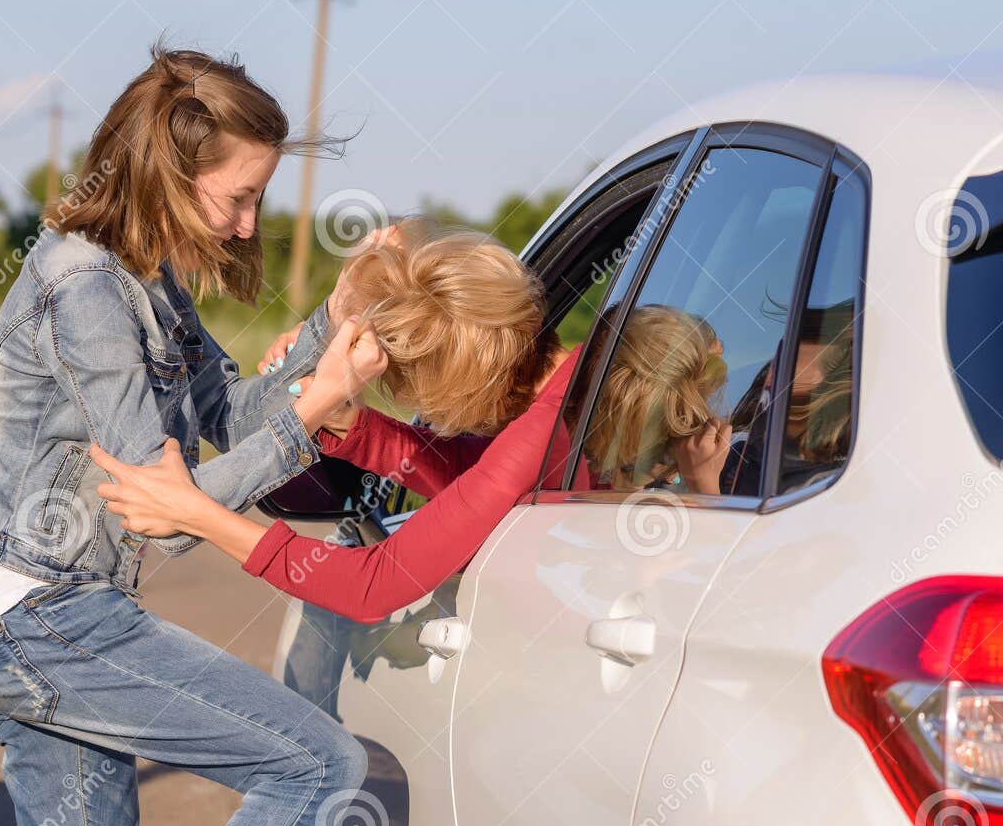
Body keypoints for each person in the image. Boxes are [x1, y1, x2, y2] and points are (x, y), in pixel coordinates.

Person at [0, 44, 374, 826]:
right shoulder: (85, 286)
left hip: (27, 618)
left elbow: (232, 419)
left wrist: (333, 320)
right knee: (318, 766)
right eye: (239, 198)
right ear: (171, 170)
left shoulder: (151, 278)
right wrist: (312, 409)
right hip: (33, 616)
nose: (248, 226)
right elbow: (164, 520)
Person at [95, 229, 730, 626]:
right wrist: (356, 426)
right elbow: (476, 479)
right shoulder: (577, 379)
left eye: (416, 385)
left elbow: (372, 585)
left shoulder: (542, 433)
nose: (420, 402)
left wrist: (202, 514)